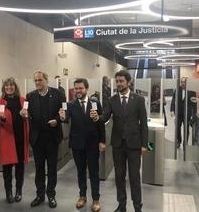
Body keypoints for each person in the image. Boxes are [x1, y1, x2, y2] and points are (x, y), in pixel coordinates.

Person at [91, 70, 148, 212]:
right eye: (117, 81)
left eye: (122, 81)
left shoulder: (139, 100)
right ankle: (121, 205)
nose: (119, 84)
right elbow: (105, 117)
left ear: (129, 82)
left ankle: (137, 207)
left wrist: (144, 144)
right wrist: (97, 118)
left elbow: (144, 124)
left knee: (134, 177)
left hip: (134, 144)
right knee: (119, 176)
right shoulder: (112, 100)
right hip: (117, 145)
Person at [59, 78, 105, 212]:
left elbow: (100, 123)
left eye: (81, 88)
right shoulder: (70, 104)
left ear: (87, 89)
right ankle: (82, 196)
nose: (78, 91)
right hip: (77, 143)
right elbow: (65, 118)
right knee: (80, 172)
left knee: (94, 172)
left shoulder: (95, 103)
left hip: (93, 143)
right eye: (76, 88)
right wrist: (62, 117)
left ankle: (95, 199)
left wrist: (102, 141)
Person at [26, 71, 65, 208]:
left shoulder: (58, 93)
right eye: (35, 80)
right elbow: (26, 112)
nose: (37, 83)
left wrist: (57, 120)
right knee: (39, 168)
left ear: (46, 80)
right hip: (37, 139)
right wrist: (23, 114)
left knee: (52, 168)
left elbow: (63, 111)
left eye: (40, 80)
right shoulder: (30, 96)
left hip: (52, 137)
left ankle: (51, 195)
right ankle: (40, 194)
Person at [0, 77, 29, 204]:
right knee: (7, 168)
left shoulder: (23, 100)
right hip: (7, 139)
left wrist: (26, 115)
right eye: (7, 85)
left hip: (20, 137)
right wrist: (1, 117)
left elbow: (27, 116)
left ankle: (18, 191)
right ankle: (8, 192)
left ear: (15, 87)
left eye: (11, 85)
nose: (9, 87)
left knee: (20, 167)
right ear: (4, 88)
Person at [170, 77, 197, 148]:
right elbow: (173, 100)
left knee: (186, 129)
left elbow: (194, 103)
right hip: (178, 113)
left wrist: (194, 113)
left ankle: (185, 143)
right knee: (177, 128)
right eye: (181, 82)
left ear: (187, 83)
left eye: (184, 82)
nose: (182, 83)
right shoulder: (177, 90)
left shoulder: (191, 91)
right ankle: (178, 141)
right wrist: (172, 110)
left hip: (187, 113)